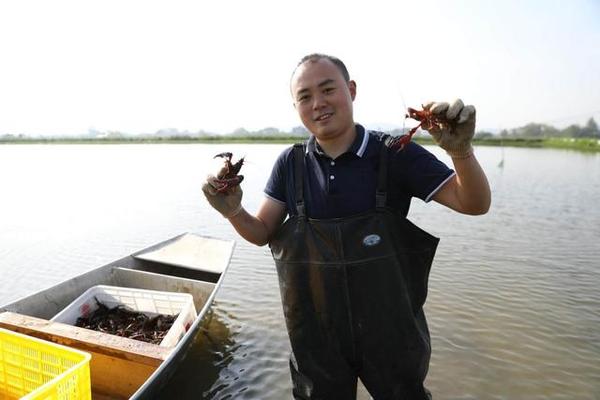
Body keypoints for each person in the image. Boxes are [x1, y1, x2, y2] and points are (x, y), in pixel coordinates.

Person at [202, 53, 491, 400]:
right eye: (305, 97)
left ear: (351, 90)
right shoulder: (291, 164)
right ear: (295, 106)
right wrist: (233, 211)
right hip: (316, 338)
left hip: (393, 334)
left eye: (328, 89)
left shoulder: (396, 153)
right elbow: (262, 232)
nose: (318, 103)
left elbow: (473, 203)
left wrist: (460, 151)